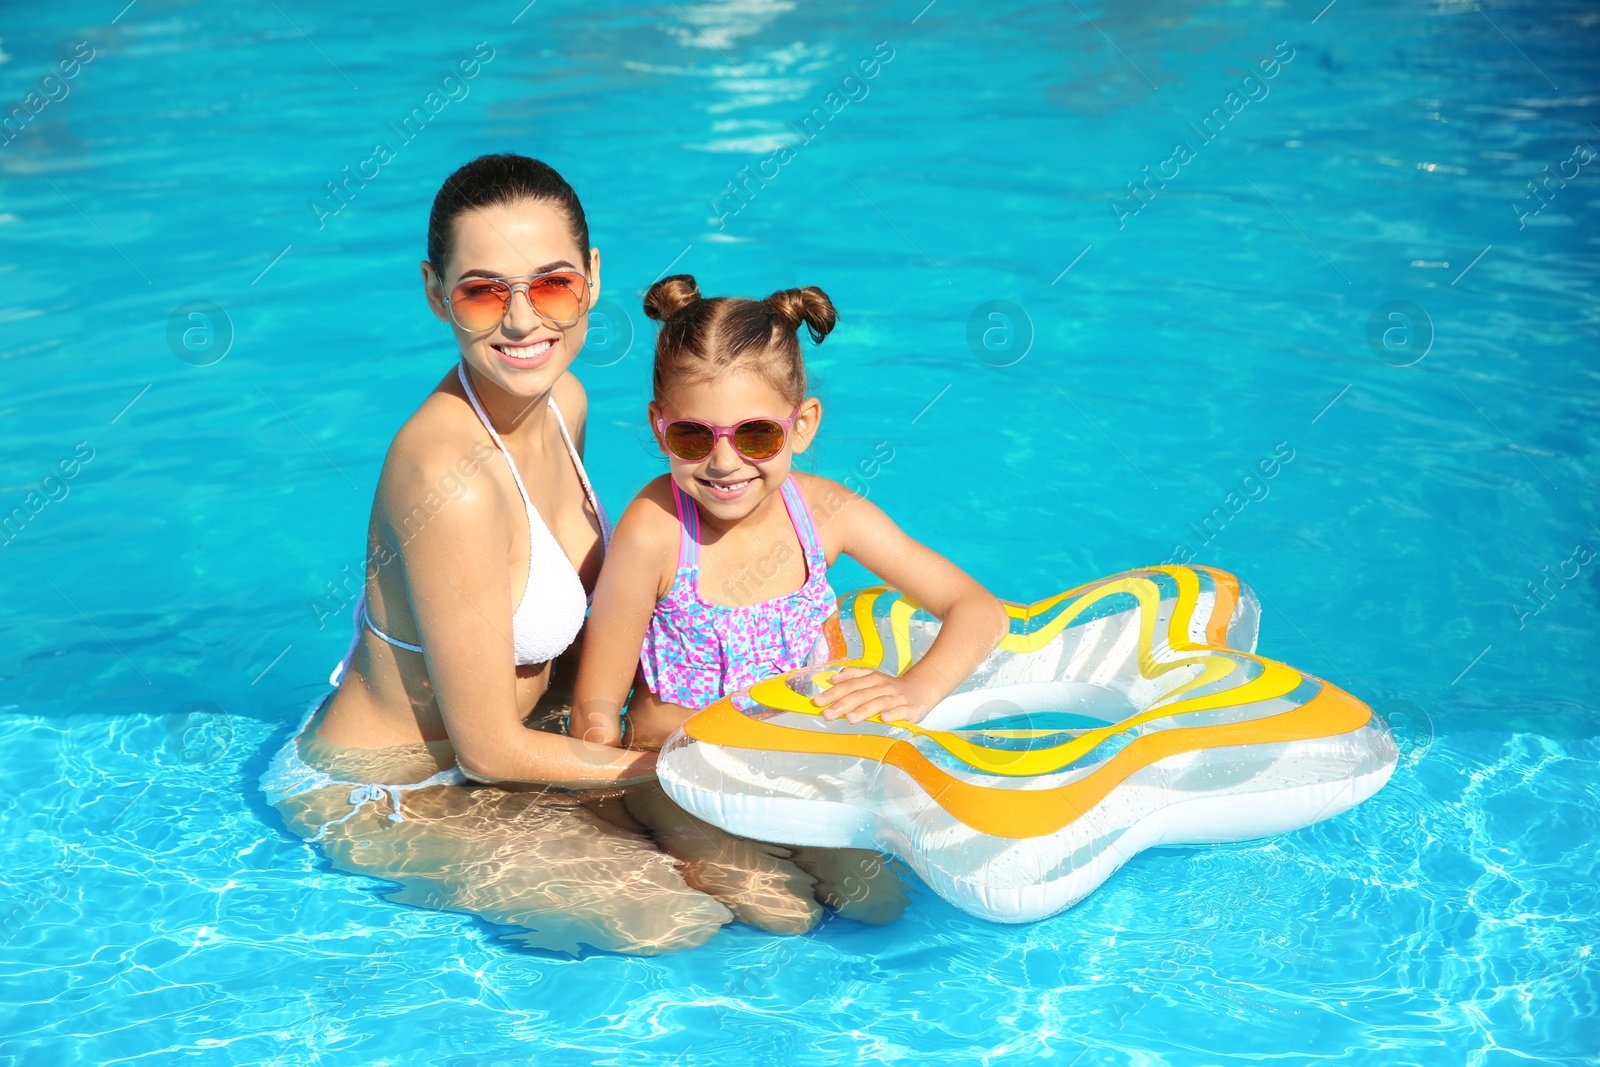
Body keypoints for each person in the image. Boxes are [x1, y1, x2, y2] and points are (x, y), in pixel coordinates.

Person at [261, 154, 734, 956]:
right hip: (394, 788)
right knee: (668, 914)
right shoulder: (449, 474)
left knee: (755, 878)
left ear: (590, 278)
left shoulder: (565, 402)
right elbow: (485, 751)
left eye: (550, 284)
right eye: (484, 290)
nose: (522, 321)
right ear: (436, 293)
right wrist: (687, 770)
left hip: (525, 754)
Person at [570, 274, 1011, 934]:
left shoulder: (827, 511)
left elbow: (977, 606)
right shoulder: (655, 531)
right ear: (658, 424)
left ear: (800, 425)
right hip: (681, 780)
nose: (724, 463)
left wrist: (918, 688)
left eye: (755, 436)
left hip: (799, 763)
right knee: (783, 914)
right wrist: (617, 822)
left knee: (880, 903)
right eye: (693, 436)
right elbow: (595, 708)